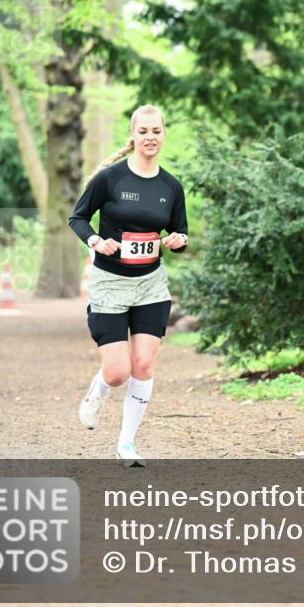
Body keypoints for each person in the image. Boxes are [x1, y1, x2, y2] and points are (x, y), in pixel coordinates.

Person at [68, 104, 188, 466]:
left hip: (151, 284)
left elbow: (180, 232)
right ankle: (99, 389)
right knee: (118, 372)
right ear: (133, 135)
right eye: (143, 131)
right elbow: (78, 218)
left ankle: (127, 443)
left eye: (156, 131)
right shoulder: (110, 179)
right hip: (110, 282)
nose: (150, 137)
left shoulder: (171, 186)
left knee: (144, 364)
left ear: (164, 134)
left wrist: (179, 240)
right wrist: (95, 241)